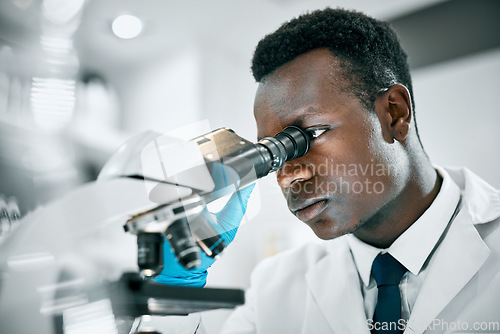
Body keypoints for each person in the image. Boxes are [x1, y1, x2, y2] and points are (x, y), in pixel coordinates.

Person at [156, 7, 500, 334]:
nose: (287, 176)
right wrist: (172, 295)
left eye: (311, 133)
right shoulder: (274, 289)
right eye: (274, 153)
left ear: (394, 113)